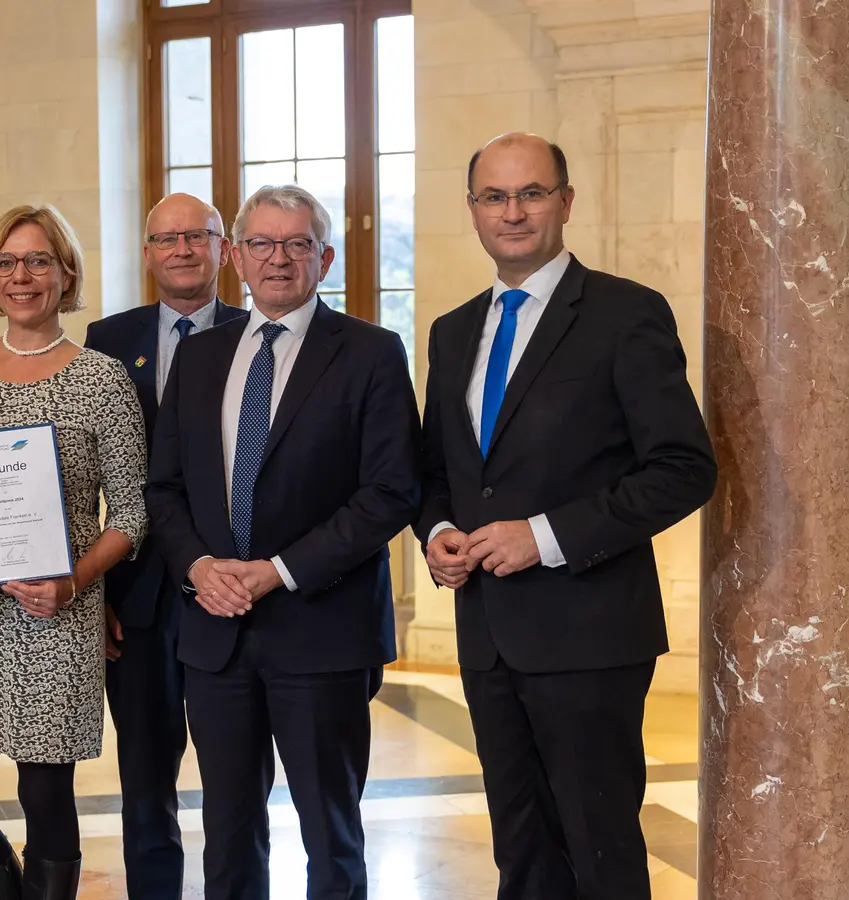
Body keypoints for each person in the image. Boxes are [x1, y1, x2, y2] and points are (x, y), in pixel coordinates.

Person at [417, 133, 717, 900]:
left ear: (566, 201)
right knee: (521, 849)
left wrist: (544, 537)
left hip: (589, 633)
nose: (512, 212)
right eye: (494, 197)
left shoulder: (625, 314)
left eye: (532, 193)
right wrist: (437, 532)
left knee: (601, 850)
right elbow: (436, 472)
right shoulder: (453, 333)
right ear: (474, 212)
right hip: (488, 634)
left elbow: (684, 470)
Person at [145, 184, 423, 900]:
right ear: (235, 256)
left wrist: (280, 571)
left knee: (331, 833)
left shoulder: (371, 352)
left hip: (322, 631)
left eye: (297, 244)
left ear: (324, 257)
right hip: (216, 633)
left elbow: (390, 492)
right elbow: (164, 489)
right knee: (229, 830)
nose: (278, 259)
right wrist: (200, 566)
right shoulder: (201, 359)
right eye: (263, 244)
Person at [0, 204, 147, 899]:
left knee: (48, 803)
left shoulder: (102, 379)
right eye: (7, 262)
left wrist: (72, 586)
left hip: (55, 617)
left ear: (66, 273)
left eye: (39, 260)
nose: (22, 276)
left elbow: (133, 513)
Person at [81, 192, 245, 898]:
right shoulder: (108, 339)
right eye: (166, 238)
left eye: (198, 236)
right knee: (146, 781)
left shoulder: (257, 330)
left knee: (236, 781)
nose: (182, 249)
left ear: (223, 251)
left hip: (233, 590)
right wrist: (97, 592)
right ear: (147, 254)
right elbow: (81, 472)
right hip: (138, 595)